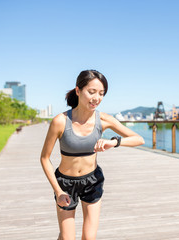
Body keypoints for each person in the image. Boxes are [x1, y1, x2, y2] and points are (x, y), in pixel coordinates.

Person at [40, 70, 145, 240]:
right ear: (78, 91)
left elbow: (138, 139)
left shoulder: (104, 120)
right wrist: (58, 191)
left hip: (92, 180)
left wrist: (114, 142)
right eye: (92, 92)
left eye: (101, 93)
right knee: (67, 238)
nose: (96, 97)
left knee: (89, 238)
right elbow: (44, 158)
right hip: (65, 184)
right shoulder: (60, 121)